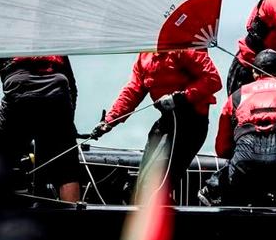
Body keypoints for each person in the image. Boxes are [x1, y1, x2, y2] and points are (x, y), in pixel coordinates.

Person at [91, 49, 221, 201]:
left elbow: (213, 79)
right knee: (142, 186)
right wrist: (109, 120)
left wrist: (180, 98)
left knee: (155, 185)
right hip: (168, 120)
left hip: (191, 123)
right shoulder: (145, 56)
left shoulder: (185, 48)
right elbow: (133, 89)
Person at [212, 49, 276, 207]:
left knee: (235, 202)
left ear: (254, 72)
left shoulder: (236, 96)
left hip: (246, 163)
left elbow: (222, 149)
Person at [0, 56, 80, 202]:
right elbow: (72, 86)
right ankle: (73, 221)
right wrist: (67, 126)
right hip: (57, 91)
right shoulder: (48, 36)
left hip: (19, 91)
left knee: (3, 153)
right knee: (67, 168)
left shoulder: (7, 36)